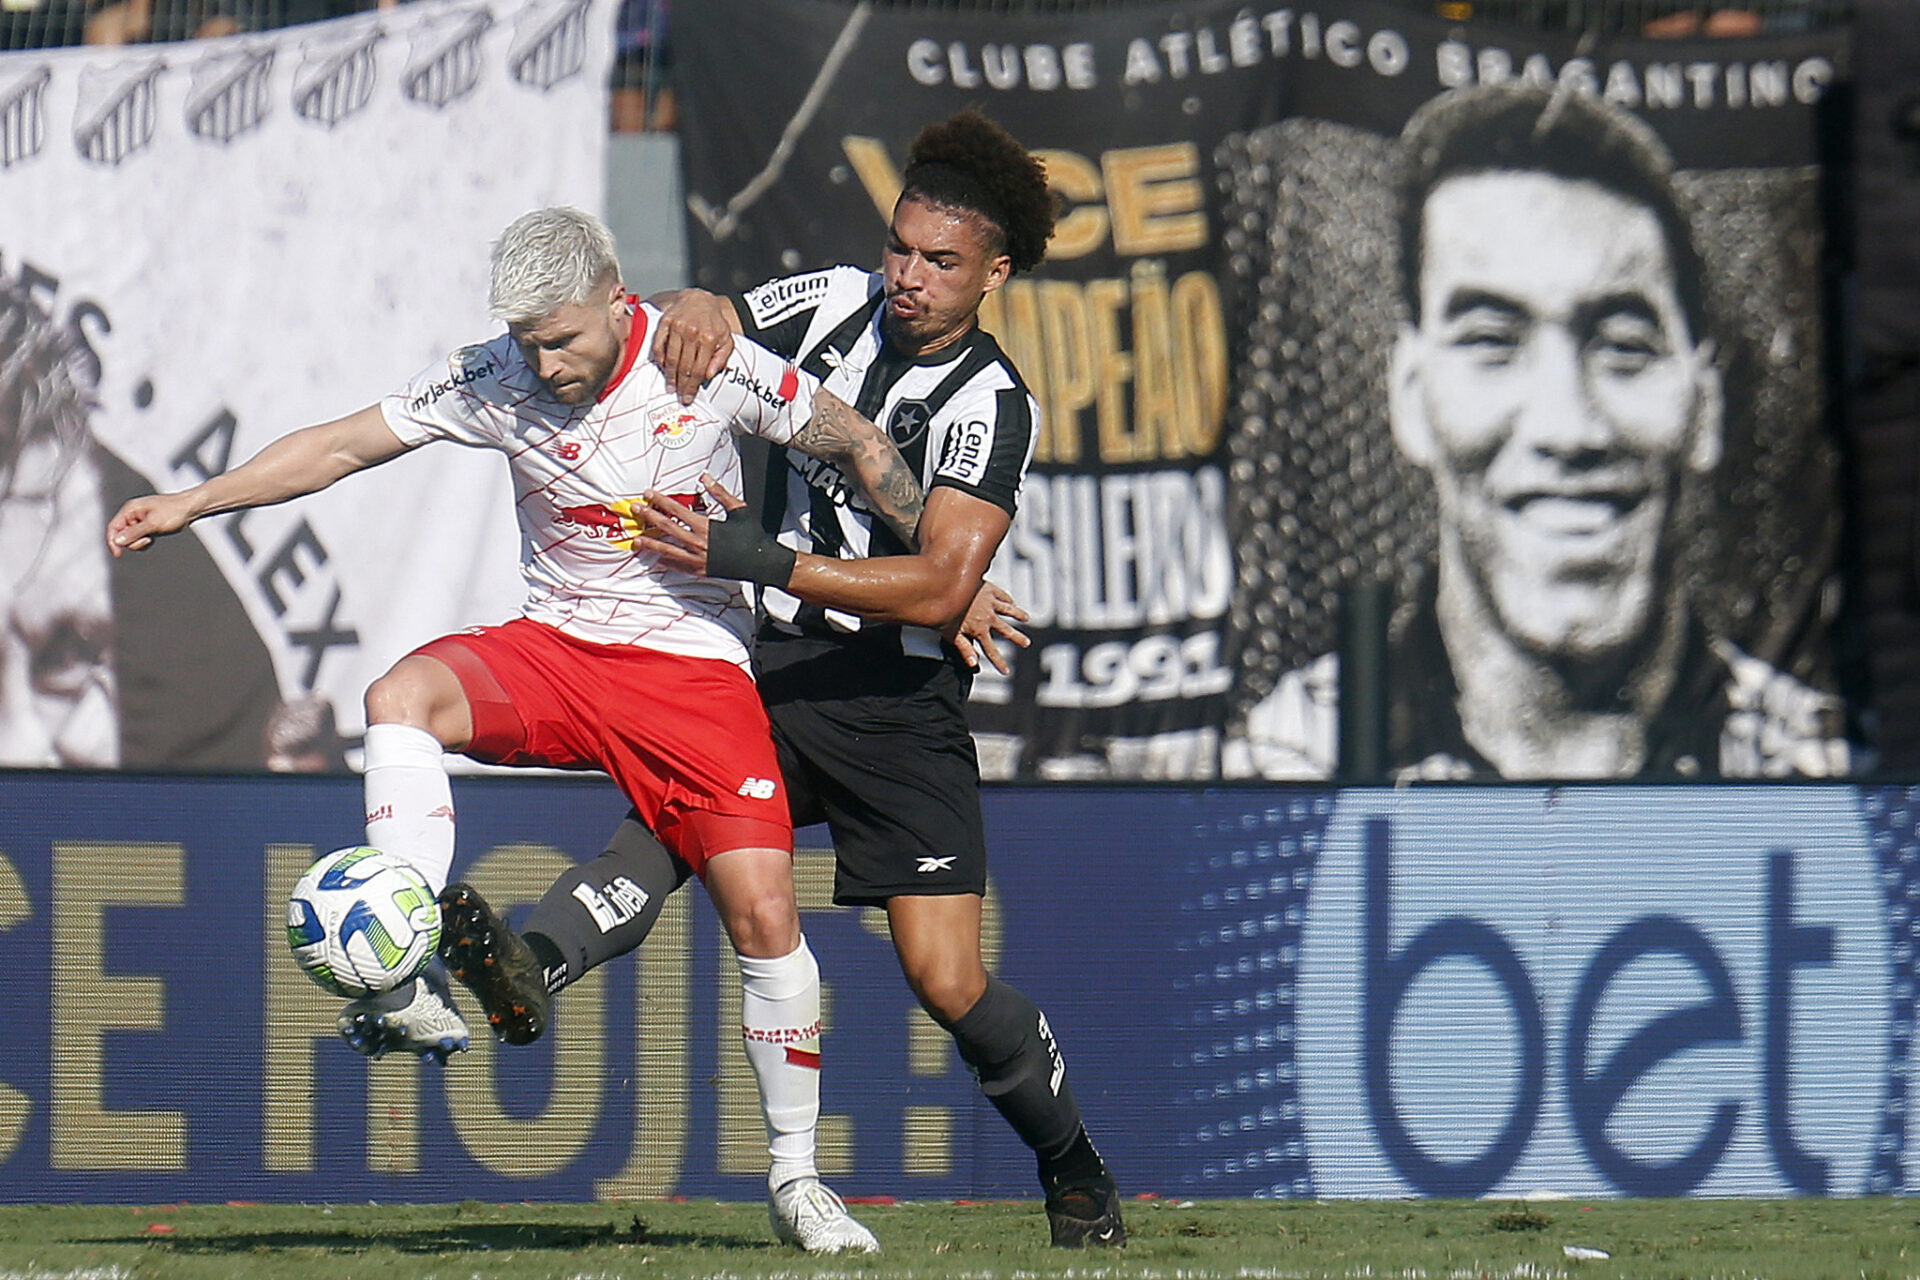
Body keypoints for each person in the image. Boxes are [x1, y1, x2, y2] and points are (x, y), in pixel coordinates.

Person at [104, 206, 926, 1254]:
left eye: (563, 338)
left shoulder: (706, 361)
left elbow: (855, 439)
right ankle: (403, 978)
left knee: (766, 916)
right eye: (529, 339)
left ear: (617, 296)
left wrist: (951, 572)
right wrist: (194, 501)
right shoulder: (494, 374)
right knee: (399, 697)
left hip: (695, 676)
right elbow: (345, 443)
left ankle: (797, 1178)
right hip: (562, 652)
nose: (545, 360)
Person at [434, 110, 1128, 1248]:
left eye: (940, 262)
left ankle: (1072, 1161)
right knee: (662, 831)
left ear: (995, 273)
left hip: (899, 709)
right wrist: (700, 305)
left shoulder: (995, 403)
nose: (906, 276)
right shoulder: (832, 300)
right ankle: (529, 965)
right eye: (900, 245)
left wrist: (759, 555)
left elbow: (943, 583)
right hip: (769, 667)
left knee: (947, 978)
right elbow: (697, 324)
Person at [1224, 84, 1850, 782]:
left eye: (1624, 346)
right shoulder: (1290, 758)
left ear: (1704, 406)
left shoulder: (1813, 767)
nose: (1569, 427)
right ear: (1409, 398)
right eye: (1492, 341)